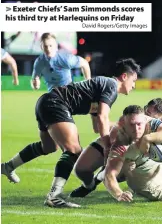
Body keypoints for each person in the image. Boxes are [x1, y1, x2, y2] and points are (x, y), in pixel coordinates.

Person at [1, 58, 140, 208]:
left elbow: (97, 125)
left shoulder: (102, 86)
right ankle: (54, 196)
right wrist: (107, 147)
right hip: (56, 103)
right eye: (134, 80)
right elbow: (102, 117)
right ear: (124, 76)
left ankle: (8, 166)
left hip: (46, 102)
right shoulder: (112, 85)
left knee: (48, 147)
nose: (134, 85)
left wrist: (125, 126)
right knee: (73, 150)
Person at [69, 98, 162, 198]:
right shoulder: (134, 121)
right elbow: (114, 152)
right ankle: (91, 184)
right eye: (147, 113)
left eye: (152, 116)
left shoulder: (161, 132)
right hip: (133, 151)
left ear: (161, 120)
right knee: (116, 166)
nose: (147, 118)